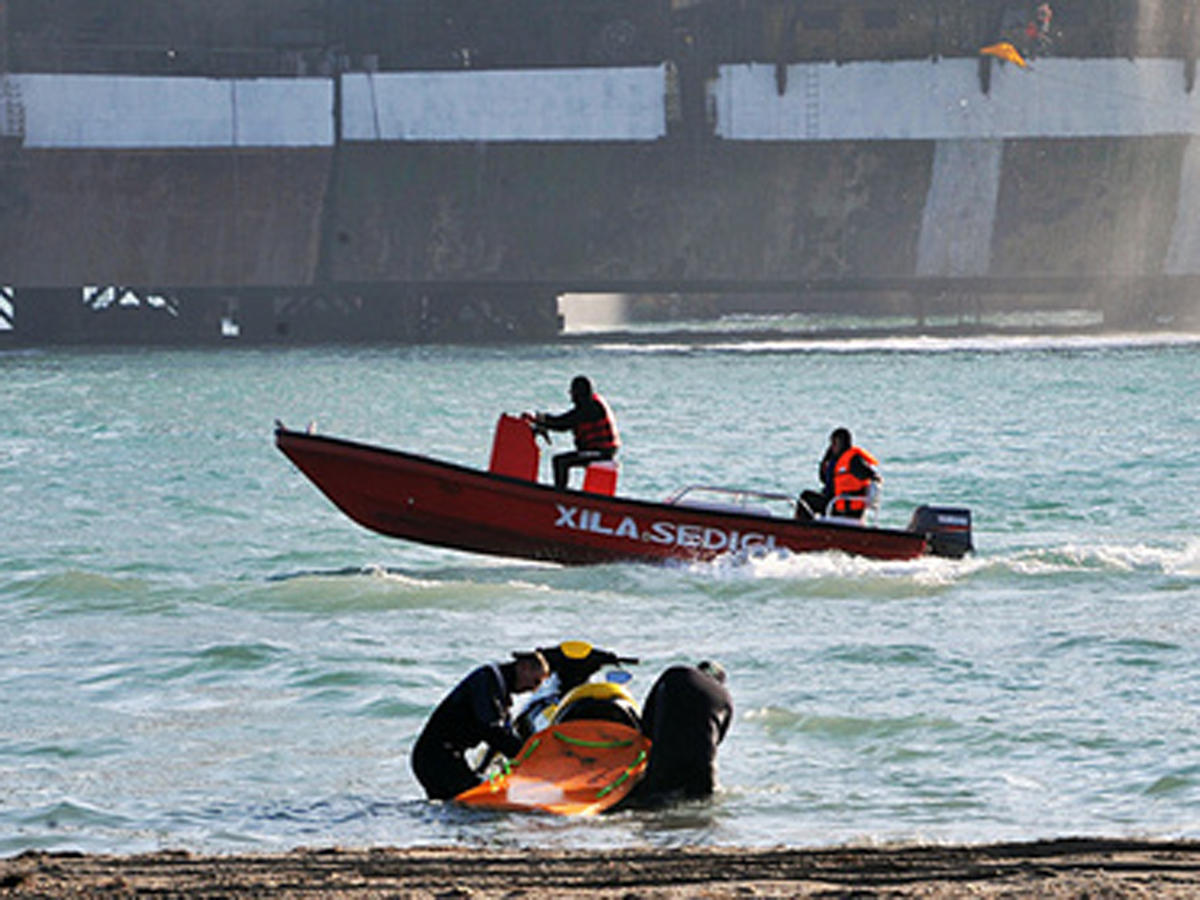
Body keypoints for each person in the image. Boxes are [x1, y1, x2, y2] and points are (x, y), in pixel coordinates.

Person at [410, 650, 549, 801]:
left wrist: (483, 771)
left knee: (455, 807)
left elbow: (497, 738)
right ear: (524, 667)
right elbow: (491, 730)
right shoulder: (487, 680)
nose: (533, 690)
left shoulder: (500, 690)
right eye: (535, 682)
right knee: (471, 806)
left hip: (444, 757)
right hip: (434, 758)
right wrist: (529, 759)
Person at [630, 660, 733, 803]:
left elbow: (647, 723)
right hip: (704, 769)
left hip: (666, 761)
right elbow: (718, 740)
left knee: (649, 806)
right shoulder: (726, 698)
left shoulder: (676, 674)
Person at [529, 375, 620, 490]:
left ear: (578, 394)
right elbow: (564, 422)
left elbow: (563, 423)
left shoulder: (590, 408)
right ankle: (561, 493)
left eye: (572, 393)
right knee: (562, 460)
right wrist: (543, 423)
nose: (571, 397)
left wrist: (542, 420)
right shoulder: (590, 405)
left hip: (600, 453)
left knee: (560, 461)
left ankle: (560, 495)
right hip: (597, 451)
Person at [796, 427, 880, 521]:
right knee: (807, 497)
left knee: (805, 498)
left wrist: (872, 481)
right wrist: (826, 459)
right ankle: (808, 528)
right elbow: (824, 480)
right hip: (834, 502)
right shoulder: (837, 460)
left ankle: (802, 529)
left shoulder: (854, 460)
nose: (832, 447)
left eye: (834, 443)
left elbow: (871, 475)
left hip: (845, 508)